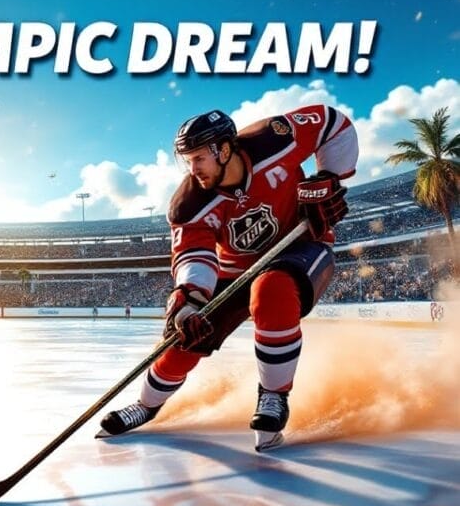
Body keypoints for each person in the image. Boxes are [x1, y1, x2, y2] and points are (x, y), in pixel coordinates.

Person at [100, 105, 357, 452]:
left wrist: (329, 177)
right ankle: (146, 406)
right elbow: (195, 255)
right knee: (185, 337)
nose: (193, 169)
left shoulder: (275, 138)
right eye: (187, 161)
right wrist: (190, 300)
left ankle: (273, 396)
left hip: (302, 245)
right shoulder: (189, 204)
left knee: (272, 288)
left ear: (224, 149)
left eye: (199, 158)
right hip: (234, 270)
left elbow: (332, 122)